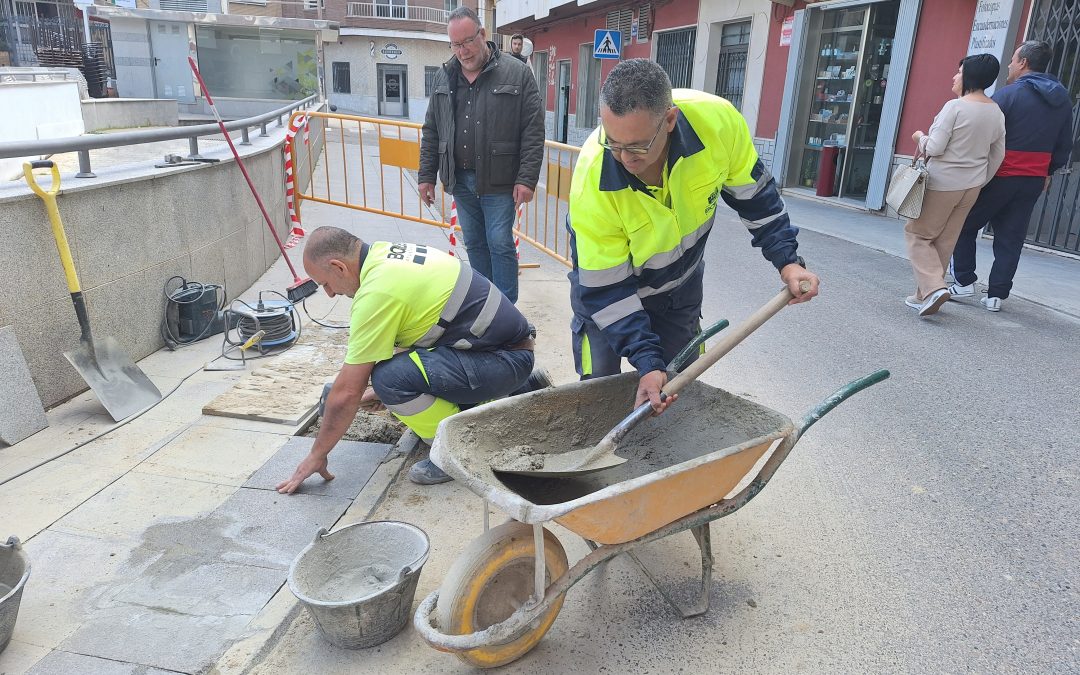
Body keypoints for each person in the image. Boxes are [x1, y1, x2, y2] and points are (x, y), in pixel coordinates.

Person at [567, 59, 819, 414]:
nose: (623, 158)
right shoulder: (592, 181)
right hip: (609, 302)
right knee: (599, 394)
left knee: (679, 392)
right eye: (614, 143)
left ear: (669, 120)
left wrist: (788, 262)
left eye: (637, 146)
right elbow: (606, 289)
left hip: (679, 288)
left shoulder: (717, 126)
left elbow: (757, 199)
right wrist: (646, 360)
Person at [276, 227, 538, 491]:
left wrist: (317, 454)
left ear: (338, 267)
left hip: (503, 360)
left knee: (389, 379)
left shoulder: (377, 293)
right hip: (505, 348)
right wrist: (377, 393)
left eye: (325, 284)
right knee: (393, 373)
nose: (330, 294)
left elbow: (347, 391)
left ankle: (453, 451)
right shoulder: (385, 254)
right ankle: (516, 393)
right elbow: (408, 340)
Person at [418, 7, 545, 304]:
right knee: (474, 243)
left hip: (500, 179)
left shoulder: (517, 72)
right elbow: (432, 128)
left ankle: (506, 310)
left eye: (467, 41)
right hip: (460, 179)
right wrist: (426, 176)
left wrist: (527, 179)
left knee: (499, 243)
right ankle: (486, 307)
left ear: (483, 34)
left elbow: (533, 128)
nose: (463, 51)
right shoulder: (445, 75)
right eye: (455, 44)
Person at [949, 40, 1074, 312]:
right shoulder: (1062, 99)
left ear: (1023, 63)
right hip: (1034, 178)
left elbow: (985, 134)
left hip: (1000, 174)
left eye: (1013, 59)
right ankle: (996, 295)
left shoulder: (1009, 95)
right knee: (1011, 237)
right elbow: (1065, 142)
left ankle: (963, 280)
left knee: (962, 223)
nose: (1009, 65)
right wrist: (1048, 172)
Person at [903, 54, 1005, 317]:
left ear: (969, 76)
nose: (955, 77)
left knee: (918, 234)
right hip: (972, 186)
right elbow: (998, 154)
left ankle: (934, 288)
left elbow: (935, 147)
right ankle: (923, 295)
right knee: (945, 240)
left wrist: (919, 137)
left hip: (943, 182)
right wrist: (981, 179)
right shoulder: (996, 111)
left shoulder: (955, 107)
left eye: (959, 72)